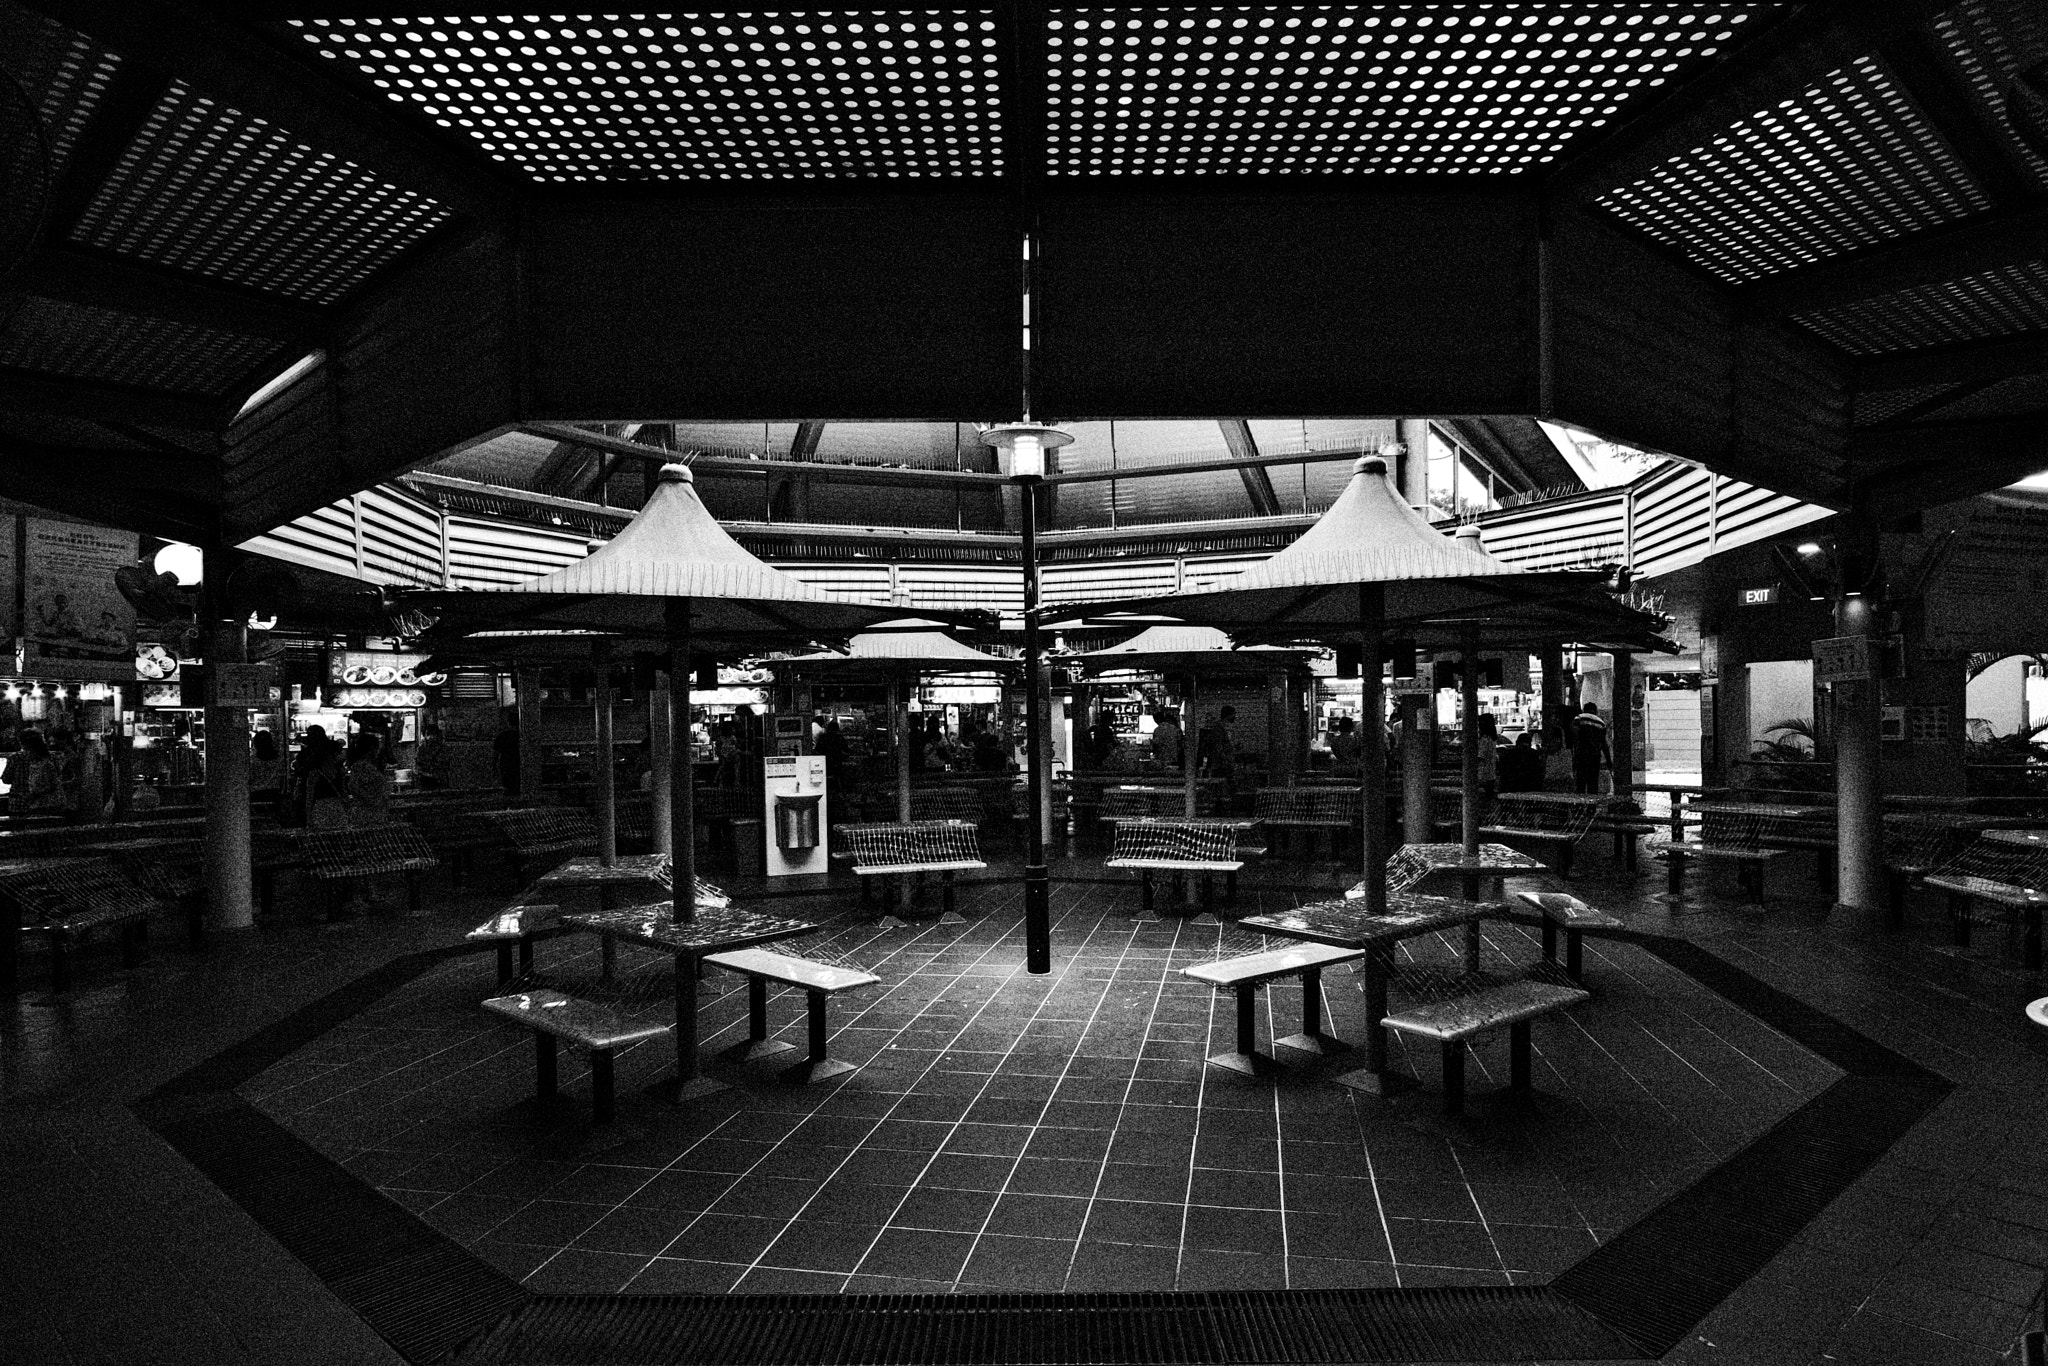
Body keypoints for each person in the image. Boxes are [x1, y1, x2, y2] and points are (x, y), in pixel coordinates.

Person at [6, 730, 64, 814]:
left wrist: (34, 794)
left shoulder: (16, 758)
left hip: (24, 802)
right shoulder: (53, 757)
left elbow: (6, 779)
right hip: (50, 803)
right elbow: (58, 778)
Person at [1571, 702, 1611, 795]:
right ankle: (1591, 808)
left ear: (1584, 710)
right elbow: (1604, 743)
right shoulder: (1601, 723)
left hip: (1581, 754)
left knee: (1580, 783)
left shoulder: (1579, 718)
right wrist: (1608, 760)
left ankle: (1579, 807)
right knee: (1592, 784)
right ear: (1595, 711)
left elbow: (1574, 735)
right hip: (1594, 756)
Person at [248, 729, 286, 819]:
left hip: (255, 794)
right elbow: (282, 779)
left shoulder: (251, 761)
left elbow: (249, 778)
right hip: (274, 793)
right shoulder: (279, 760)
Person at [493, 709, 521, 796]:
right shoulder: (522, 736)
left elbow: (495, 755)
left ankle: (508, 804)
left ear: (508, 722)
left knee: (508, 787)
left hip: (506, 764)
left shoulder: (502, 736)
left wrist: (494, 767)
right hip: (519, 763)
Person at [413, 722, 448, 789]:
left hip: (426, 778)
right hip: (436, 778)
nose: (431, 737)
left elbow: (416, 765)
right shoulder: (442, 747)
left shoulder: (422, 747)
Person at [1474, 713, 1499, 798]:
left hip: (1483, 774)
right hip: (1490, 774)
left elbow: (1481, 757)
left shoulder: (1484, 740)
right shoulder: (1492, 739)